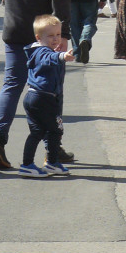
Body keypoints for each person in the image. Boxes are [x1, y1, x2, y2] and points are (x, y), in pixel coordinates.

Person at [0, 0, 72, 170]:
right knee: (51, 90)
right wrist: (63, 33)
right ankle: (52, 148)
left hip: (15, 29)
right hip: (46, 34)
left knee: (12, 84)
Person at [18, 15, 76, 178]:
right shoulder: (41, 52)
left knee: (38, 131)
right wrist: (62, 56)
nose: (55, 39)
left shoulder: (41, 50)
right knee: (56, 130)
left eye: (58, 35)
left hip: (36, 97)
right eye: (50, 36)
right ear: (38, 37)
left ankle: (32, 164)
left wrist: (58, 56)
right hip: (43, 98)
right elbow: (48, 58)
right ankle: (46, 162)